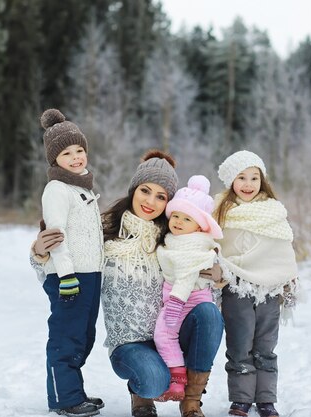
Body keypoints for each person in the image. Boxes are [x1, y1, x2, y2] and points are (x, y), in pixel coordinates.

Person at [32, 150, 224, 417]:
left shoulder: (173, 237)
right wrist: (41, 252)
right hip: (129, 343)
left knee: (209, 314)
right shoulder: (103, 231)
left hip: (169, 332)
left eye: (161, 196)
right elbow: (62, 257)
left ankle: (191, 401)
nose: (150, 201)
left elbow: (203, 260)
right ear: (134, 189)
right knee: (153, 381)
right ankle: (140, 393)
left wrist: (216, 271)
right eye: (145, 191)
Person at [213, 150, 299, 417]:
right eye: (242, 178)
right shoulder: (221, 211)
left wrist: (288, 278)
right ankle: (241, 399)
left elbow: (283, 247)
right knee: (239, 345)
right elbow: (214, 246)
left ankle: (265, 399)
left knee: (265, 345)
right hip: (236, 286)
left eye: (254, 177)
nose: (248, 184)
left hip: (269, 290)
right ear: (231, 181)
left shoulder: (273, 211)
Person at [38, 109, 104, 417]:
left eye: (79, 150)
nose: (76, 157)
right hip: (69, 276)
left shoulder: (83, 187)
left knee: (84, 336)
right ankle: (65, 399)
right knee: (67, 337)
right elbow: (56, 235)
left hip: (89, 275)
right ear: (54, 159)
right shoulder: (57, 189)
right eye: (67, 153)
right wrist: (65, 274)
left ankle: (73, 391)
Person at [153, 175, 223, 402]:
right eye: (176, 216)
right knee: (164, 335)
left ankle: (180, 380)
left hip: (186, 299)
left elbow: (185, 275)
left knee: (164, 334)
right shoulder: (175, 239)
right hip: (178, 297)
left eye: (187, 218)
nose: (179, 222)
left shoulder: (193, 243)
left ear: (200, 225)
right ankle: (178, 379)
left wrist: (175, 302)